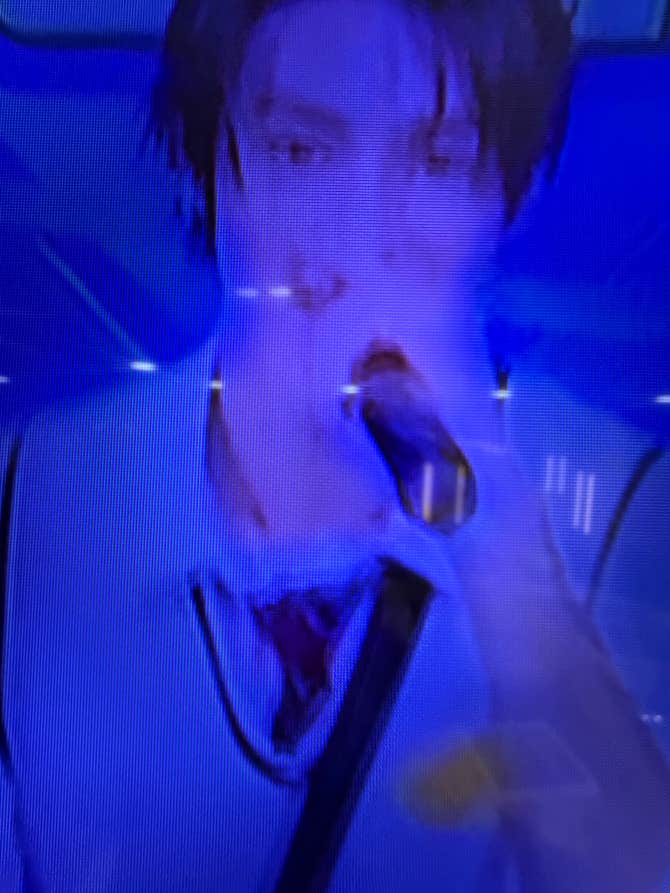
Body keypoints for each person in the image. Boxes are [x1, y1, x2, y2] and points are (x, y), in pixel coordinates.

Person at [1, 0, 669, 890]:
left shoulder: (625, 507)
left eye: (438, 161)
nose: (360, 239)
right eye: (300, 152)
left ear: (510, 196)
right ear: (211, 166)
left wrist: (502, 543)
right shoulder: (34, 495)